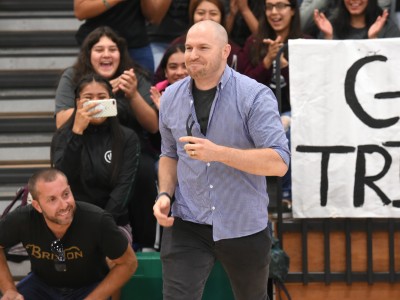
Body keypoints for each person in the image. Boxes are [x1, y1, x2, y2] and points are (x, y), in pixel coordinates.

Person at [153, 20, 290, 300]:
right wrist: (165, 193)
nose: (192, 54)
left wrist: (219, 153)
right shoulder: (170, 99)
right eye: (189, 47)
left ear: (226, 50)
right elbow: (169, 154)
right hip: (188, 221)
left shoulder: (254, 95)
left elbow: (279, 161)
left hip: (243, 223)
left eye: (203, 47)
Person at [55, 26, 159, 251]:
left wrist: (132, 95)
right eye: (99, 49)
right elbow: (62, 123)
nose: (106, 54)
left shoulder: (134, 76)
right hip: (84, 140)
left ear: (121, 53)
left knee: (143, 172)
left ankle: (145, 243)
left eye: (113, 49)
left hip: (129, 144)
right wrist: (98, 96)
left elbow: (153, 125)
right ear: (88, 54)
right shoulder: (73, 76)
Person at [0, 168, 137, 299]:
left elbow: (129, 263)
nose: (64, 205)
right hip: (41, 285)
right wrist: (9, 289)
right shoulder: (22, 219)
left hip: (89, 286)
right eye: (52, 199)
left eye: (66, 194)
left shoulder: (97, 220)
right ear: (37, 206)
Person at [51, 74, 140, 245]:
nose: (96, 103)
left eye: (102, 97)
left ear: (111, 101)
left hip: (113, 223)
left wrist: (101, 225)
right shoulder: (63, 136)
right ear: (77, 102)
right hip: (70, 221)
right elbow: (62, 180)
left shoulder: (127, 138)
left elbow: (123, 190)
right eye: (88, 98)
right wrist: (77, 132)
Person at [238, 0, 306, 209]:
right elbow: (242, 84)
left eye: (281, 6)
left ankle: (285, 194)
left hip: (296, 111)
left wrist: (285, 68)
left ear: (293, 10)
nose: (274, 12)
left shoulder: (305, 43)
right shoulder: (253, 42)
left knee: (290, 126)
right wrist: (267, 62)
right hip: (258, 112)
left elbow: (311, 89)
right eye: (269, 7)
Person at [153, 0, 241, 83]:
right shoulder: (179, 44)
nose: (206, 18)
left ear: (221, 17)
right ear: (192, 15)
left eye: (213, 14)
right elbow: (159, 79)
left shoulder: (233, 50)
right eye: (200, 13)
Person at [73, 0, 161, 73]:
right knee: (93, 88)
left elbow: (154, 18)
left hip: (136, 43)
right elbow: (80, 12)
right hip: (98, 42)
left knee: (143, 88)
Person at [313, 0, 400, 39]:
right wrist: (328, 37)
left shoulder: (388, 28)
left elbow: (390, 67)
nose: (353, 0)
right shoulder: (330, 27)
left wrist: (373, 39)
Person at [150, 43, 188, 110]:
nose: (179, 72)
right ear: (165, 72)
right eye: (173, 67)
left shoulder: (204, 91)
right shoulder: (159, 92)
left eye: (185, 66)